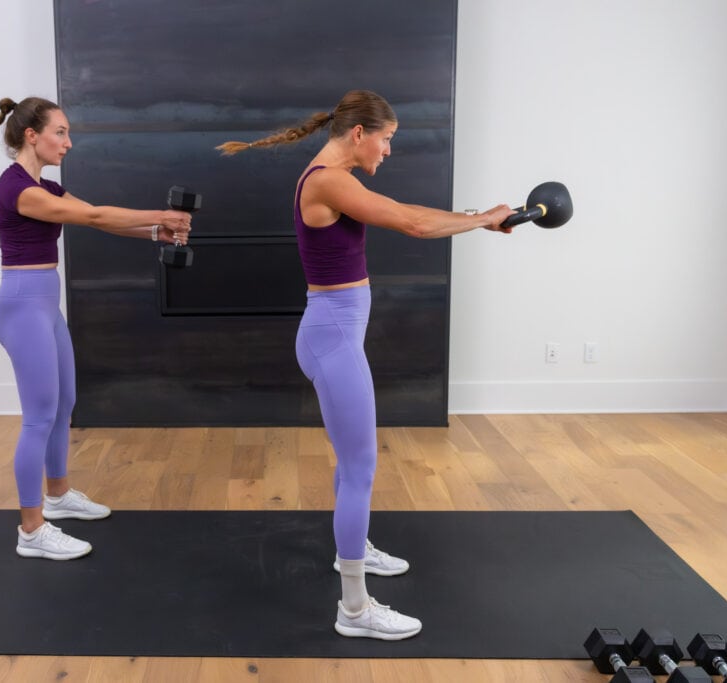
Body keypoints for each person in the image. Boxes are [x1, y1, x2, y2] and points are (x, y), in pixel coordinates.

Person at [217, 90, 513, 640]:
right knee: (361, 468)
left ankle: (353, 548)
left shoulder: (335, 176)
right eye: (387, 139)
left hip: (333, 332)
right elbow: (414, 226)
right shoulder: (329, 179)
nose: (389, 150)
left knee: (352, 461)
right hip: (332, 337)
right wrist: (482, 220)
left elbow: (410, 214)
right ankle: (354, 610)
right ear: (360, 134)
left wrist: (476, 218)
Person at [0, 97, 192, 560]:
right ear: (31, 136)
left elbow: (97, 216)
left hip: (44, 304)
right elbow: (95, 216)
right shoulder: (17, 189)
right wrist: (159, 215)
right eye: (60, 132)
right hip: (22, 306)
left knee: (64, 405)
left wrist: (152, 233)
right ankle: (31, 529)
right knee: (39, 415)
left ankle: (58, 498)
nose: (68, 142)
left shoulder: (48, 188)